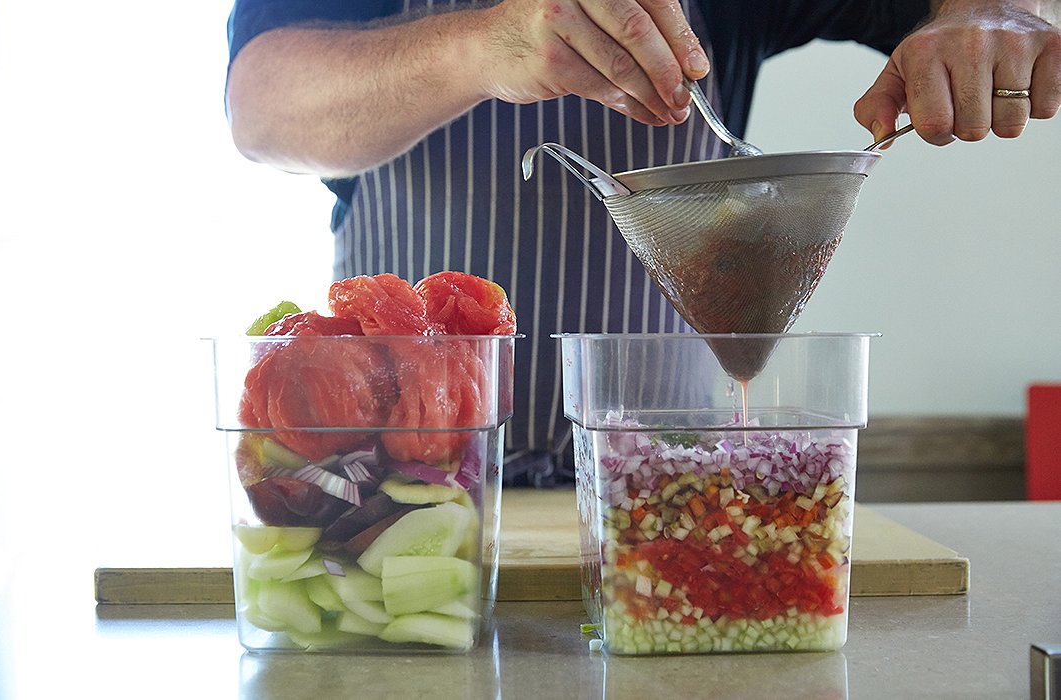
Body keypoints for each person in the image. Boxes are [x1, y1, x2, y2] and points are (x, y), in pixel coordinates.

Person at [224, 0, 1060, 486]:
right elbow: (261, 110)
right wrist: (481, 45)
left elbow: (1016, 10)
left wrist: (998, 16)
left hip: (666, 490)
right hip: (404, 504)